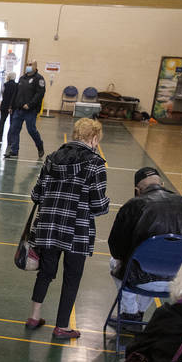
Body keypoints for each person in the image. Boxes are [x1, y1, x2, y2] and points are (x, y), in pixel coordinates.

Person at [25, 118, 110, 339]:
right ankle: (62, 326)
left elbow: (36, 195)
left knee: (45, 273)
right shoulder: (95, 164)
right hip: (77, 230)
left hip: (48, 226)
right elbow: (98, 206)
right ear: (93, 138)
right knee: (72, 278)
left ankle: (34, 316)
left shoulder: (52, 158)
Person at [108, 166, 182, 321]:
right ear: (161, 185)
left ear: (137, 190)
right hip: (178, 281)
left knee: (116, 261)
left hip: (140, 280)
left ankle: (130, 313)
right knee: (153, 260)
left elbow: (116, 249)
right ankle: (140, 311)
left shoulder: (132, 206)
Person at [4, 60, 46, 159]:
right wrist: (11, 105)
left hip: (30, 110)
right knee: (14, 129)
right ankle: (14, 150)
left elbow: (40, 94)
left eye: (30, 65)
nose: (28, 66)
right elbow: (16, 93)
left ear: (35, 66)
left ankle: (39, 145)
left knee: (31, 130)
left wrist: (30, 104)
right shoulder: (22, 78)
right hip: (18, 109)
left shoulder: (39, 79)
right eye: (27, 64)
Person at [0, 71, 17, 145]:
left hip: (4, 105)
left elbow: (2, 93)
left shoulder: (5, 84)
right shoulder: (17, 85)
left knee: (2, 122)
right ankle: (10, 140)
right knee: (12, 123)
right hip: (13, 107)